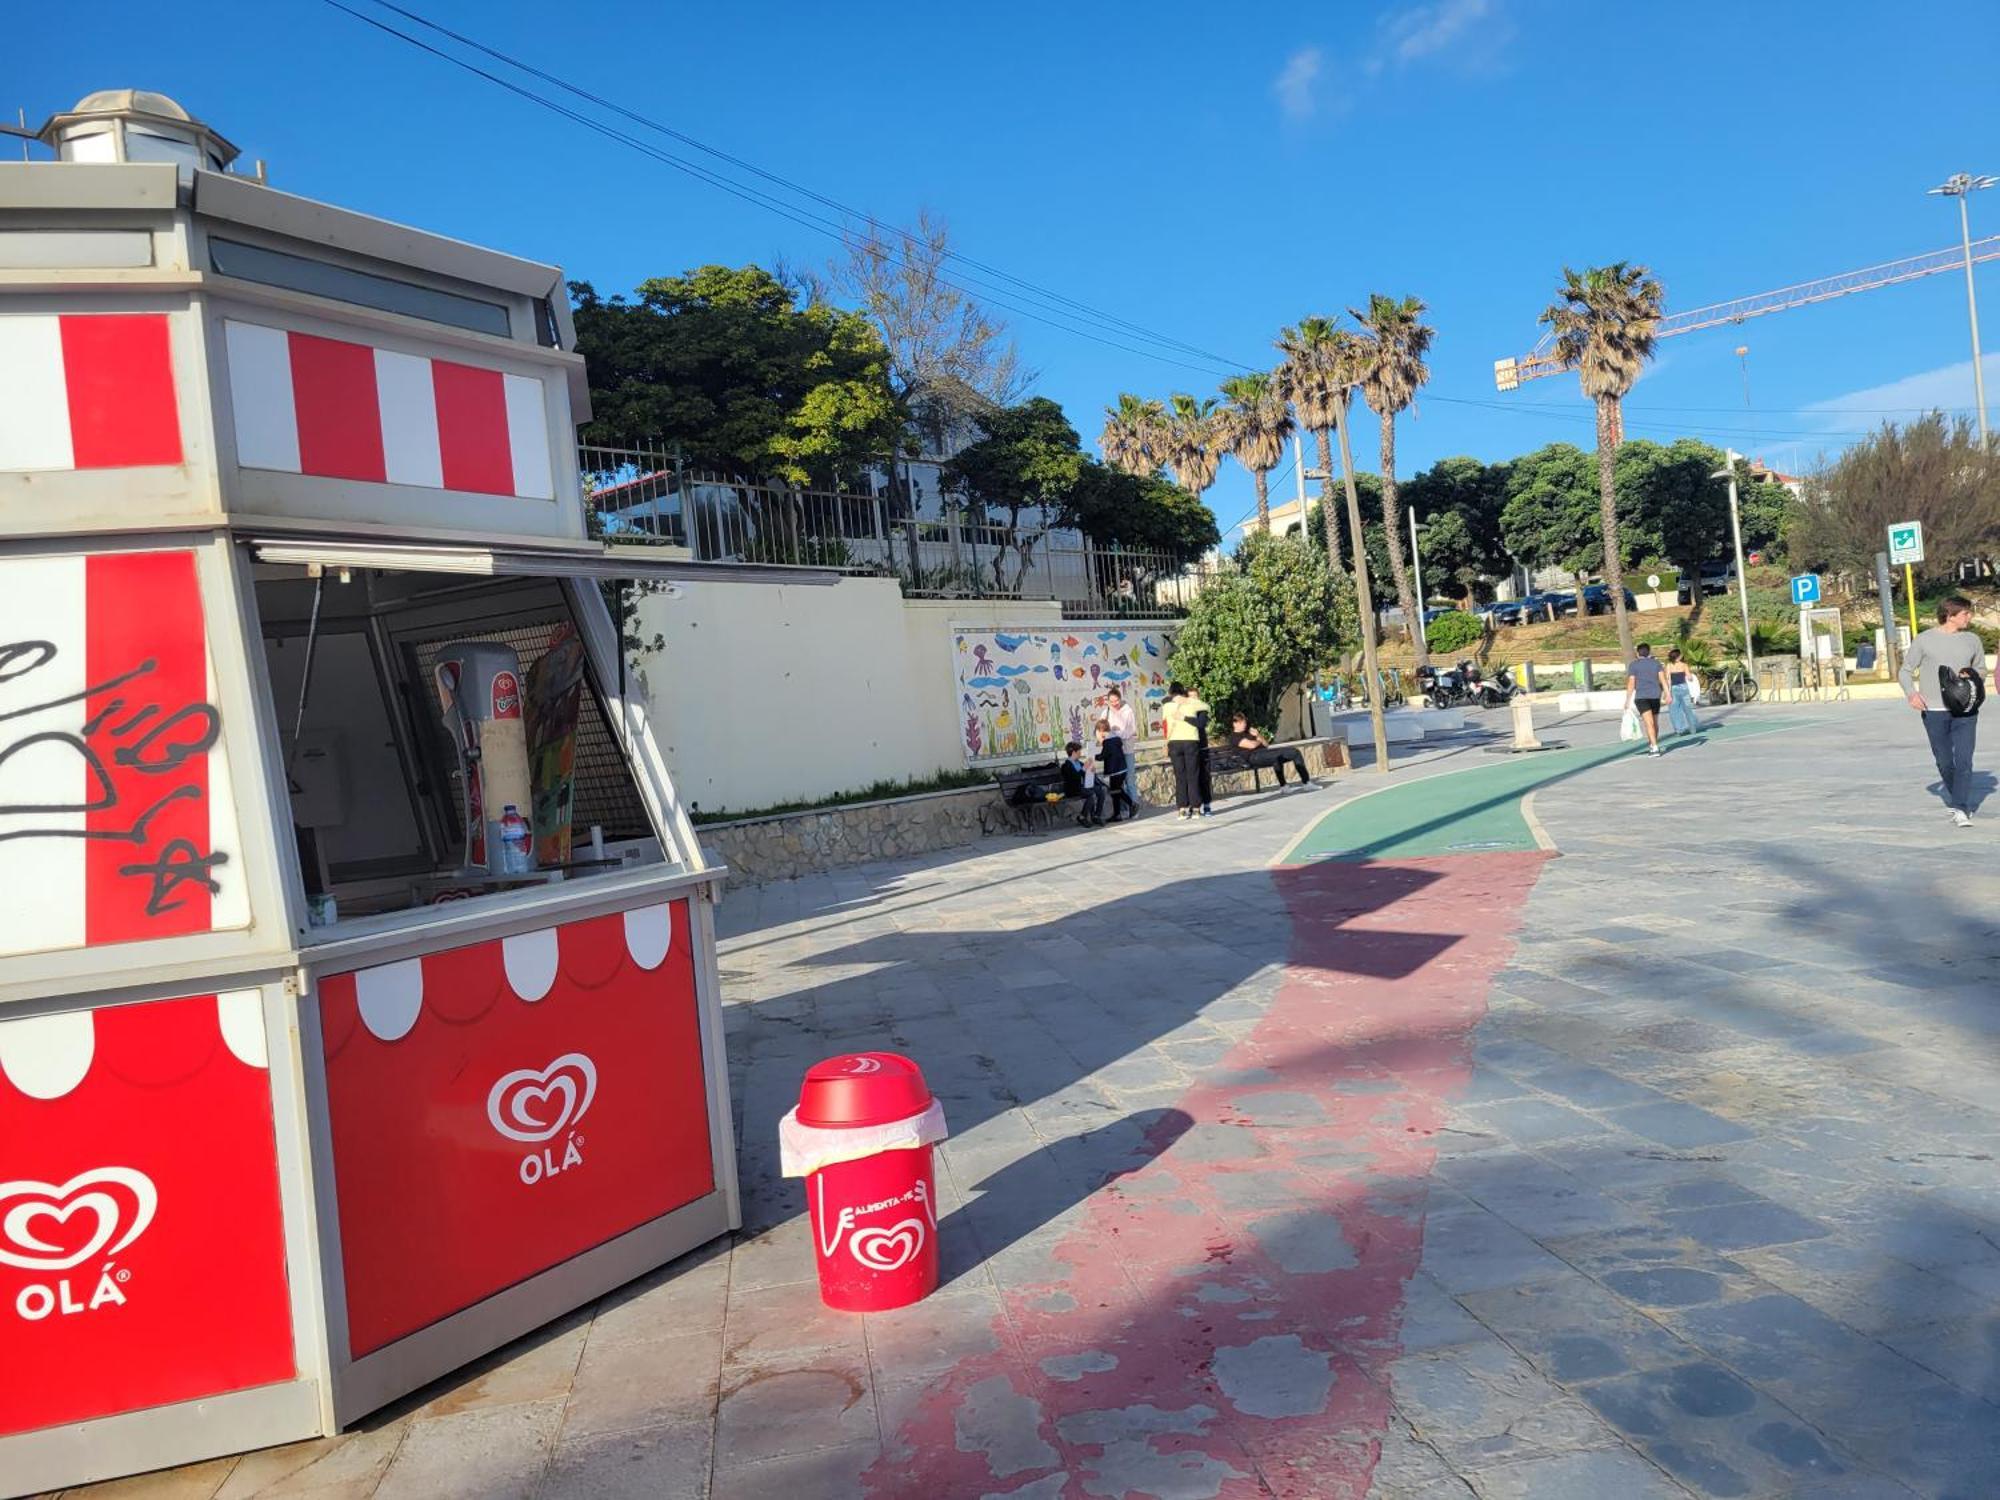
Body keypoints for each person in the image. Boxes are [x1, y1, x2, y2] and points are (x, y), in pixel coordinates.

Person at [1900, 595, 1987, 827]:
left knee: (1964, 760)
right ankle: (1955, 795)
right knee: (1945, 761)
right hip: (1934, 710)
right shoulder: (1924, 640)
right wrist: (1911, 693)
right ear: (1950, 615)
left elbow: (1981, 668)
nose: (1970, 617)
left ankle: (1960, 807)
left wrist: (1973, 675)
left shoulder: (1972, 640)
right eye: (1965, 613)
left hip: (1966, 710)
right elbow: (1905, 671)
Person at [1161, 682, 1210, 820]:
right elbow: (1207, 707)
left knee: (1180, 776)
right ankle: (1195, 809)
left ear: (1171, 692)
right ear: (1184, 691)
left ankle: (1182, 809)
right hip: (1190, 741)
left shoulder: (1166, 705)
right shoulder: (1192, 703)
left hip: (1174, 743)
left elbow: (1166, 723)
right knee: (1193, 775)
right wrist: (1190, 701)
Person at [1229, 713, 1316, 789]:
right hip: (1253, 758)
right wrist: (1258, 741)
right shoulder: (1234, 737)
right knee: (1276, 757)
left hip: (1264, 752)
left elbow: (1266, 744)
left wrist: (1258, 735)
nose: (1244, 724)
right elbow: (1251, 745)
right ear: (1235, 724)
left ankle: (1306, 782)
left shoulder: (1249, 732)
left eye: (1244, 722)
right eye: (1241, 723)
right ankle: (1284, 786)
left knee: (1295, 752)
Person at [1103, 686, 1143, 806]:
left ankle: (1134, 805)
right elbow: (1101, 728)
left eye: (1116, 701)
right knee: (1117, 783)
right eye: (1112, 701)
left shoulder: (1127, 711)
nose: (1114, 703)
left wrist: (1115, 731)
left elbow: (1130, 731)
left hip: (1127, 750)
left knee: (1130, 780)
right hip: (1114, 753)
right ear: (1108, 701)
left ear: (1120, 699)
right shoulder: (1106, 712)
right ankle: (1125, 809)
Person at [1625, 643, 1666, 757]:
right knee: (1654, 723)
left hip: (1642, 697)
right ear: (1649, 652)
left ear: (1638, 653)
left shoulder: (1634, 665)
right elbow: (1663, 680)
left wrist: (1627, 700)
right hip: (1655, 696)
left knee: (1649, 723)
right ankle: (1653, 744)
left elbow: (1631, 683)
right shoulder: (1656, 663)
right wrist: (1668, 694)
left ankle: (1655, 747)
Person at [1094, 717, 1137, 821]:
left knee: (1116, 790)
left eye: (1097, 732)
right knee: (1116, 792)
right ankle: (1117, 814)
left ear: (1101, 731)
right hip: (1121, 769)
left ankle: (1132, 804)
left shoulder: (1108, 742)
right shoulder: (1116, 739)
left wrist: (1093, 757)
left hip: (1115, 771)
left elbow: (1104, 755)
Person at [1059, 740, 1108, 827]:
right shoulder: (1066, 766)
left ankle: (1096, 815)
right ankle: (1082, 816)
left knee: (1101, 791)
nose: (1080, 753)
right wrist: (1084, 769)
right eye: (1078, 752)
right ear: (1073, 752)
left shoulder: (1079, 763)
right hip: (1073, 789)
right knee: (1091, 794)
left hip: (1084, 787)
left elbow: (1086, 776)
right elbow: (1074, 778)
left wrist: (1091, 771)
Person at [1665, 648, 1702, 736]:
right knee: (1688, 708)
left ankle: (1679, 730)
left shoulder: (1669, 665)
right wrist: (1691, 677)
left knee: (1675, 710)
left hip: (1673, 688)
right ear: (1678, 656)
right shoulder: (1684, 665)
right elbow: (1689, 677)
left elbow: (1668, 679)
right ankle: (1693, 728)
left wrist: (1667, 692)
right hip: (1684, 687)